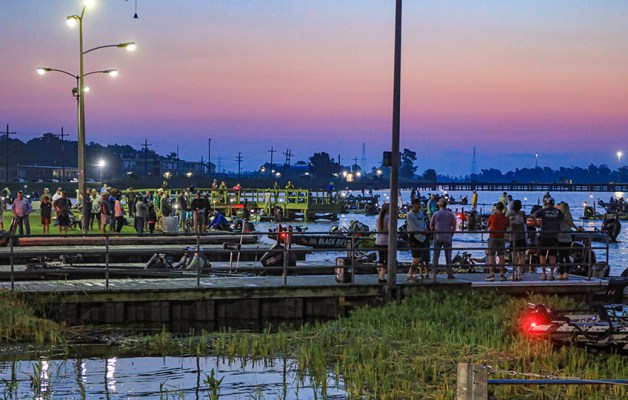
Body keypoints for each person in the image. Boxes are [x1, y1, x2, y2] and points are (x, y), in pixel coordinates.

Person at [532, 197, 564, 280]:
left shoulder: (543, 210)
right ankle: (552, 274)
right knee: (552, 255)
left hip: (544, 235)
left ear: (547, 203)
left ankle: (544, 274)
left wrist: (537, 224)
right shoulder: (557, 211)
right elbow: (562, 219)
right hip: (554, 236)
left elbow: (533, 215)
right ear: (553, 203)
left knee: (542, 255)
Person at [430, 197, 456, 279]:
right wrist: (451, 234)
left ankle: (434, 274)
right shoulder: (450, 214)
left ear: (439, 205)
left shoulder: (435, 214)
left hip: (438, 237)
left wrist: (434, 232)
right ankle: (450, 274)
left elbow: (431, 226)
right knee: (448, 257)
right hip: (447, 237)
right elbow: (454, 227)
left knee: (436, 256)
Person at [556, 201, 582, 280]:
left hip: (560, 238)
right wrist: (577, 228)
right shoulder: (569, 217)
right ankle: (566, 273)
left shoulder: (559, 216)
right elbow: (571, 224)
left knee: (560, 257)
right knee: (567, 256)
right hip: (568, 238)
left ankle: (560, 273)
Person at [406, 198, 430, 281]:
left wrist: (426, 229)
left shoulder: (421, 213)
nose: (418, 206)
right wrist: (422, 231)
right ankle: (410, 273)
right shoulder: (410, 215)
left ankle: (414, 273)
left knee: (423, 257)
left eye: (419, 204)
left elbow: (423, 223)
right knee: (417, 257)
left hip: (423, 238)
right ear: (413, 205)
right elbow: (412, 228)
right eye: (417, 204)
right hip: (414, 237)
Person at [485, 202, 510, 281]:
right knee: (501, 256)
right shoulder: (505, 218)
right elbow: (507, 226)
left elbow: (488, 225)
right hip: (501, 237)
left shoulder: (492, 217)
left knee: (491, 256)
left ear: (496, 208)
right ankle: (502, 274)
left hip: (493, 237)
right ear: (503, 209)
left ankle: (491, 274)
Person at [506, 199, 527, 281]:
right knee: (522, 255)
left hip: (513, 236)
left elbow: (506, 223)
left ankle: (514, 273)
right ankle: (520, 272)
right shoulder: (522, 213)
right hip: (522, 235)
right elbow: (525, 222)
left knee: (514, 255)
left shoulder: (509, 214)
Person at [375, 203, 390, 284]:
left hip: (378, 240)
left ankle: (380, 275)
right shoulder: (388, 217)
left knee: (381, 259)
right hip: (386, 241)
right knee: (387, 260)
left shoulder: (379, 218)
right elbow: (390, 229)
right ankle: (381, 277)